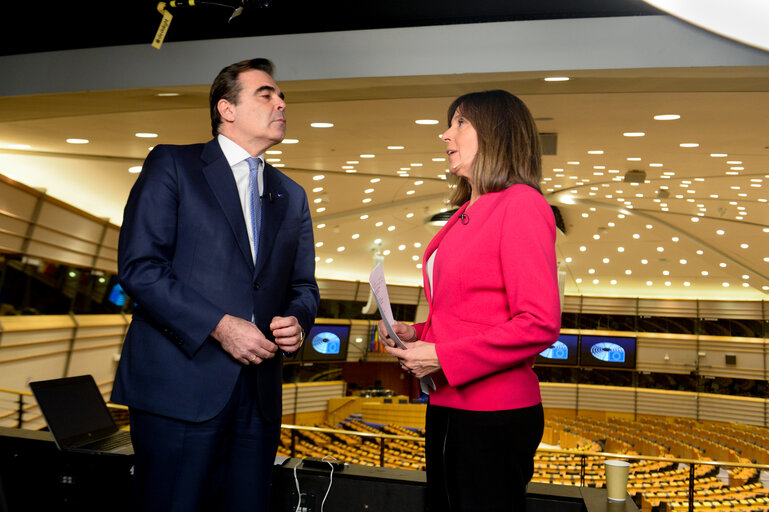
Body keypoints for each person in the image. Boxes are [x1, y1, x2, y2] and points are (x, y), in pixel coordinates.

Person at [111, 58, 320, 512]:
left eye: (281, 96)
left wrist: (298, 321)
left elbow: (304, 285)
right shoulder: (173, 164)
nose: (281, 102)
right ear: (226, 109)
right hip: (179, 386)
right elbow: (140, 267)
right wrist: (219, 325)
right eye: (266, 94)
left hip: (258, 398)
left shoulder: (292, 194)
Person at [379, 90, 561, 511]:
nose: (445, 134)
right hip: (446, 404)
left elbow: (538, 322)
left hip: (493, 413)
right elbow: (469, 312)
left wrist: (441, 355)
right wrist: (417, 334)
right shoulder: (465, 212)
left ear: (496, 133)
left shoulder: (521, 204)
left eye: (460, 123)